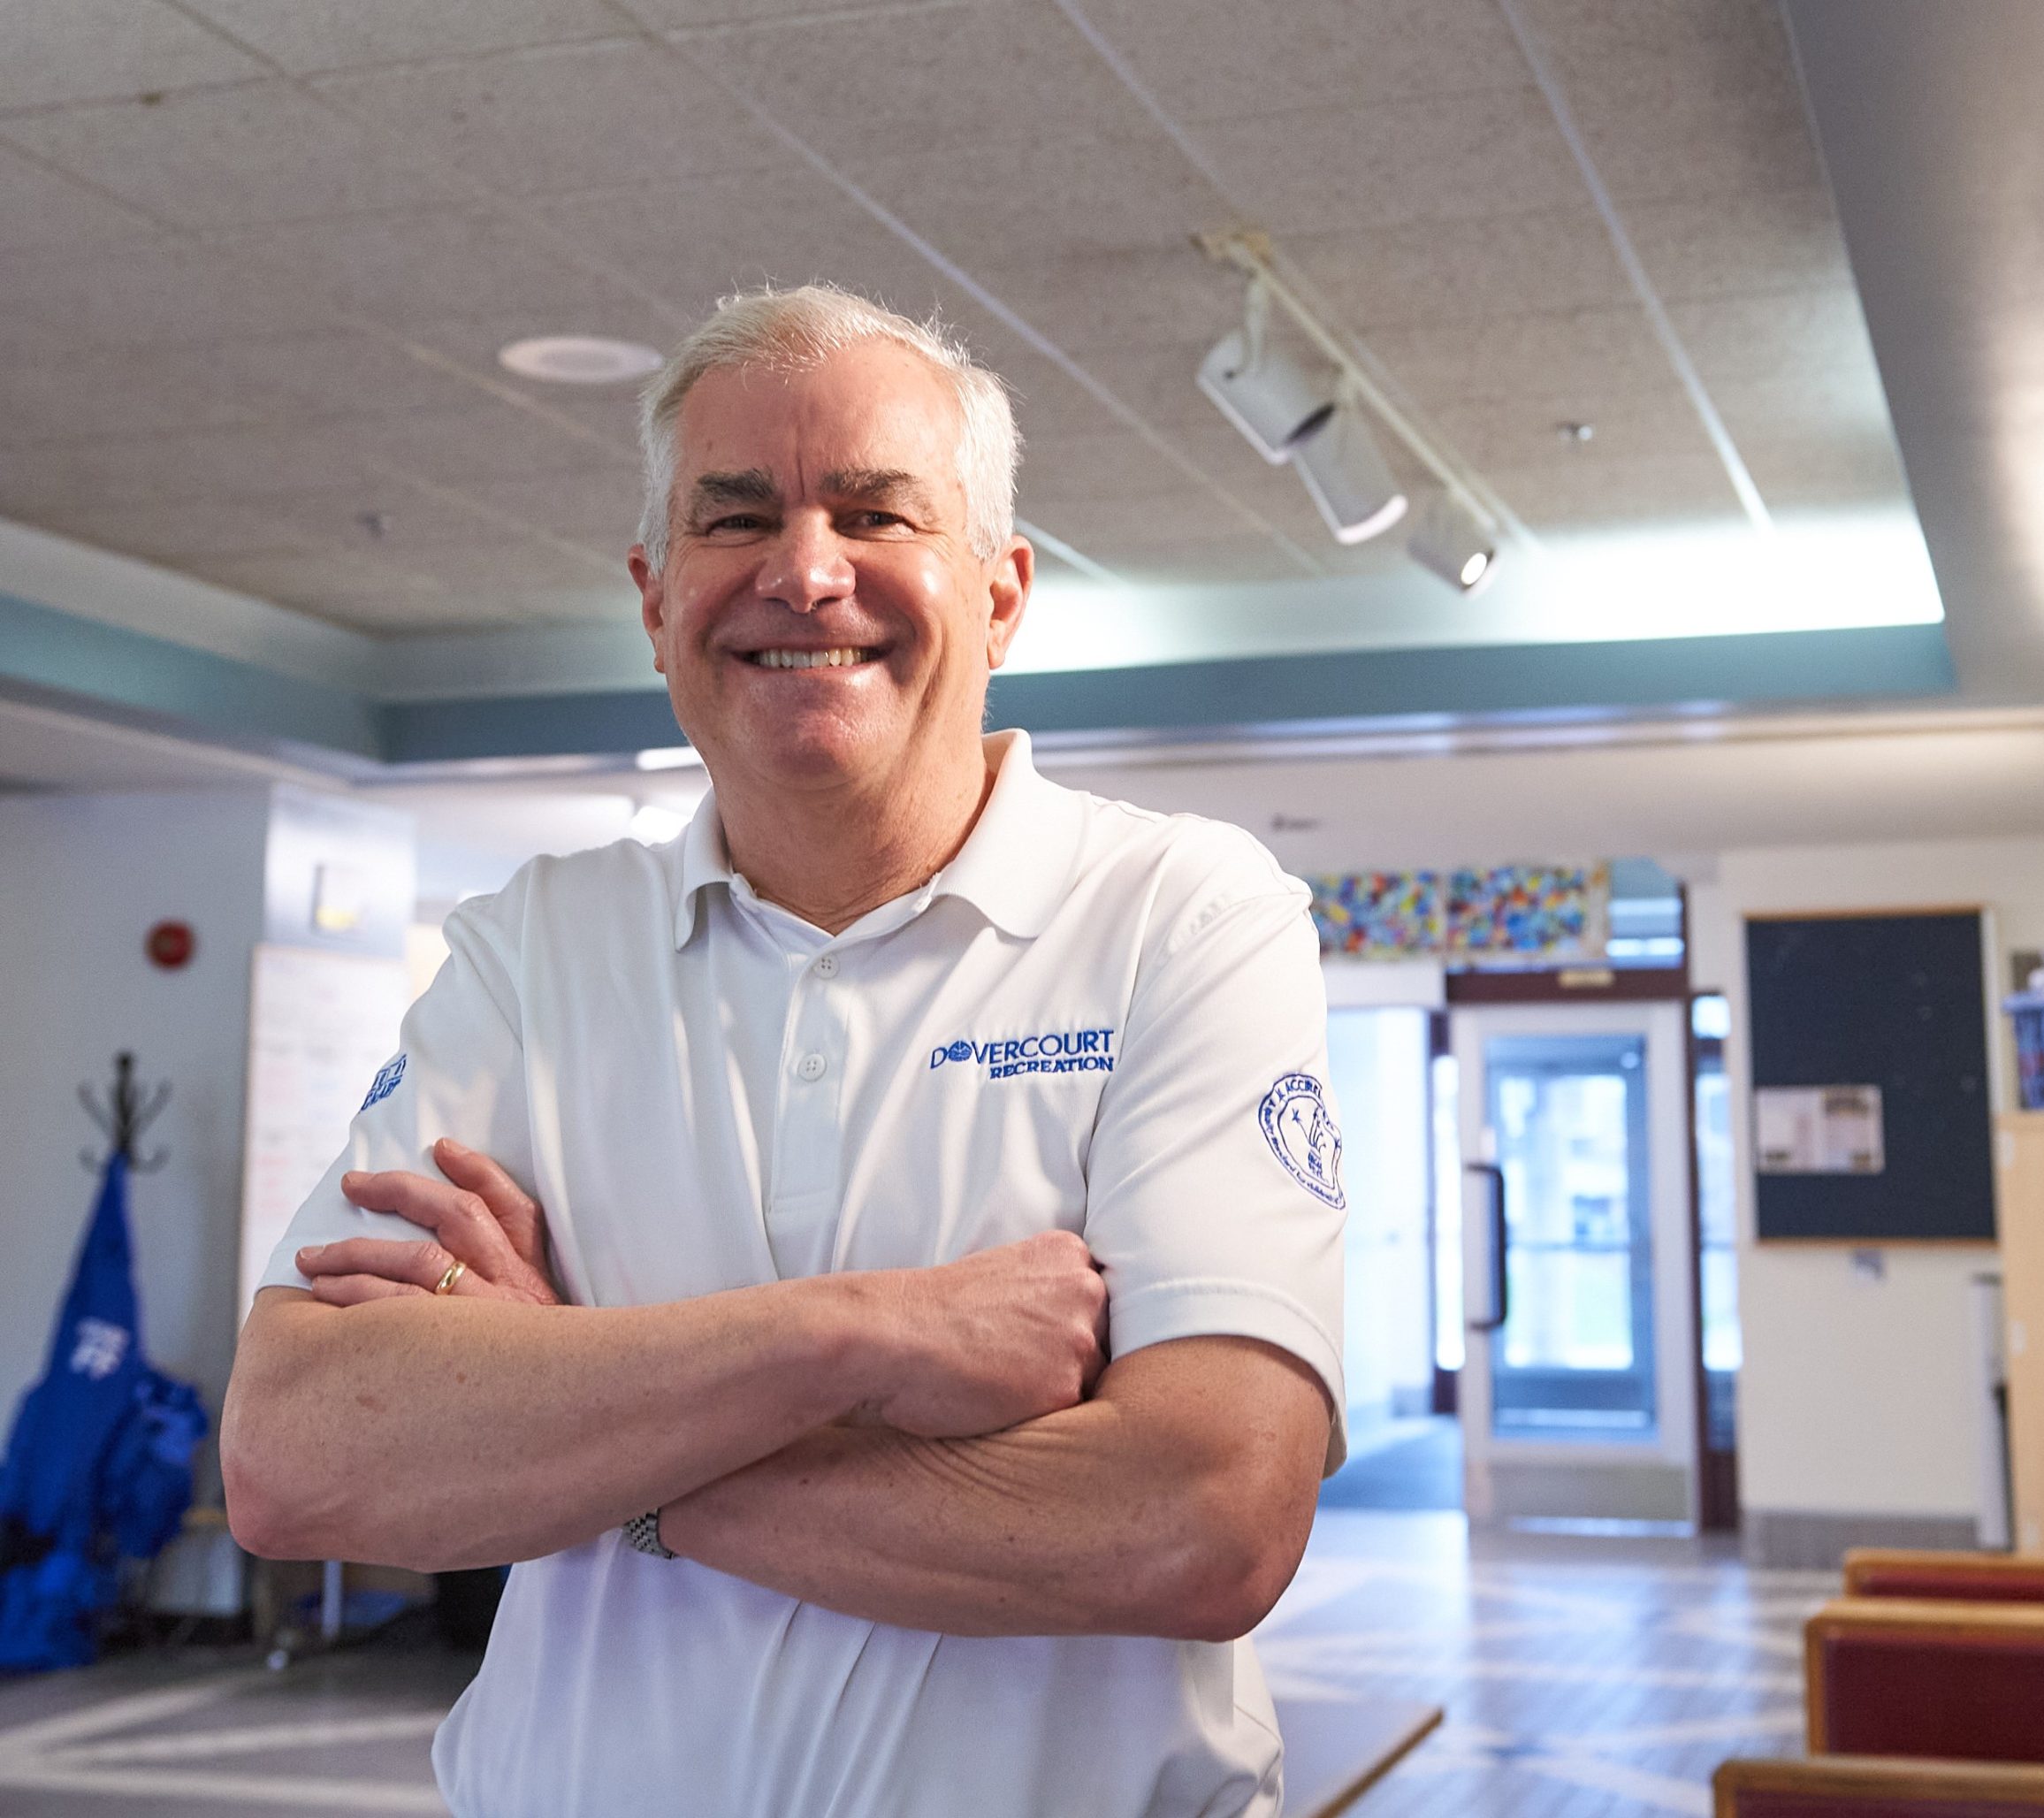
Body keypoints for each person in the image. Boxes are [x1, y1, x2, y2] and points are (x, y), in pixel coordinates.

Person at [221, 285, 1348, 1818]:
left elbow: (1206, 1524)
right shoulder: (534, 949)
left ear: (1003, 592)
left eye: (878, 516)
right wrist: (860, 1334)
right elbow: (297, 1457)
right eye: (735, 518)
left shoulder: (1184, 917)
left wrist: (573, 1415)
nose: (806, 573)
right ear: (652, 592)